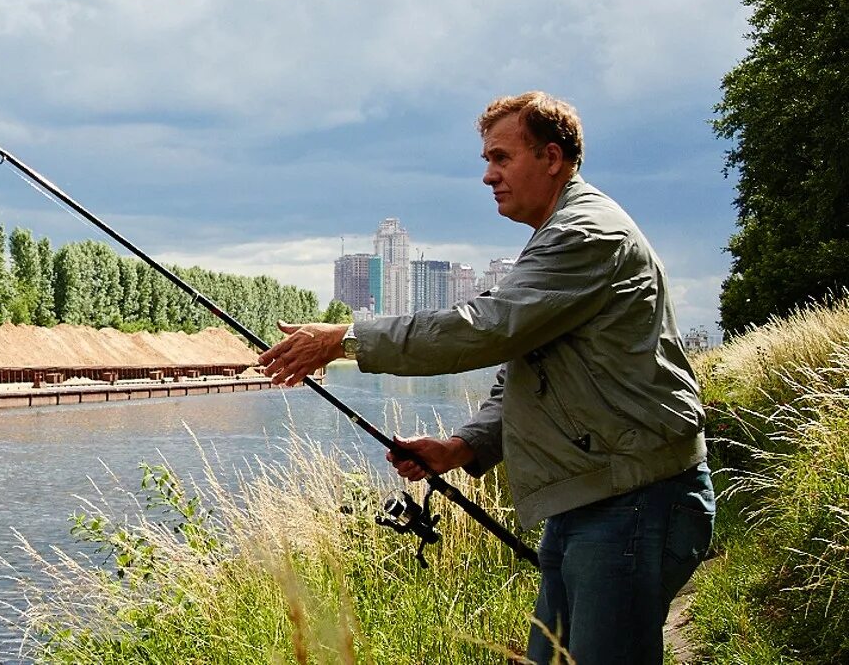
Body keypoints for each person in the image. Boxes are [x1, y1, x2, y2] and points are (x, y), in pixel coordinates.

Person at [258, 91, 712, 665]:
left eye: (500, 158)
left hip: (634, 499)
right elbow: (532, 365)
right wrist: (462, 446)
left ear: (552, 157)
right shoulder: (557, 235)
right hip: (596, 495)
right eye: (485, 161)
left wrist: (345, 339)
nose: (488, 176)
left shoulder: (586, 234)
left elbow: (485, 328)